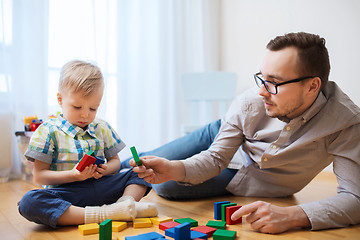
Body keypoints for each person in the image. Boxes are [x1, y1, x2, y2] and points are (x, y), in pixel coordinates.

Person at [125, 32, 360, 234]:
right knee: (152, 161)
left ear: (312, 86)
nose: (261, 92)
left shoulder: (345, 123)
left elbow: (355, 198)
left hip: (256, 177)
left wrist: (292, 216)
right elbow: (216, 158)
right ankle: (110, 164)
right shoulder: (250, 102)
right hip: (221, 135)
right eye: (261, 78)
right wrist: (175, 167)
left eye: (273, 82)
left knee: (166, 185)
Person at [18, 60, 158, 228]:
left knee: (143, 168)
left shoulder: (101, 127)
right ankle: (109, 213)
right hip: (68, 195)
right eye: (77, 107)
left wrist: (107, 169)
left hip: (103, 187)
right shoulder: (48, 131)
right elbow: (39, 176)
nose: (85, 115)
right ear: (60, 100)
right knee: (29, 202)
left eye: (93, 109)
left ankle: (125, 203)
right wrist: (73, 175)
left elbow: (115, 162)